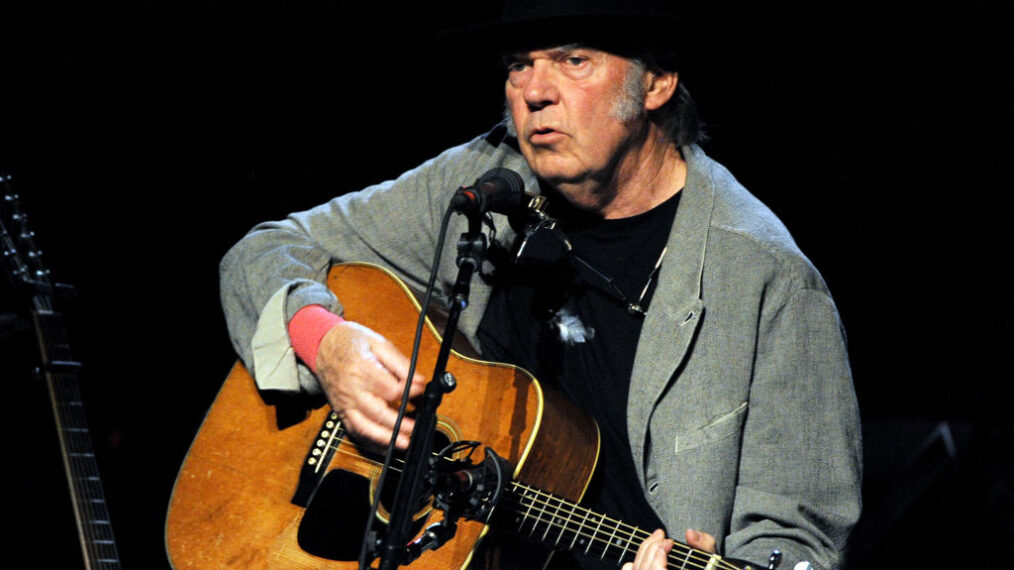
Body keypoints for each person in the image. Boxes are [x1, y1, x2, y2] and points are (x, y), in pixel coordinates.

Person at [219, 1, 862, 569]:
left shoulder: (766, 278)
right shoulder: (489, 181)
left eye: (573, 61)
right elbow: (267, 248)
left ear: (658, 81)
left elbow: (797, 538)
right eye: (518, 64)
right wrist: (326, 343)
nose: (533, 92)